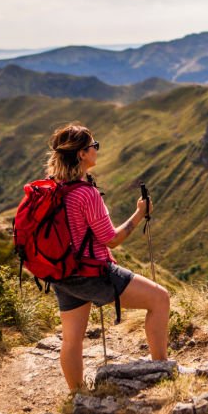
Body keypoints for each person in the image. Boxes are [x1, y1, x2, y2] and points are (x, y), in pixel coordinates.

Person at [44, 123, 170, 392]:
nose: (96, 150)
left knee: (71, 339)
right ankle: (163, 370)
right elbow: (111, 239)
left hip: (63, 273)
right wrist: (140, 213)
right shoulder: (86, 193)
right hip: (92, 272)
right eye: (94, 146)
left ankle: (77, 395)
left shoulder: (53, 188)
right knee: (160, 299)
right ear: (81, 154)